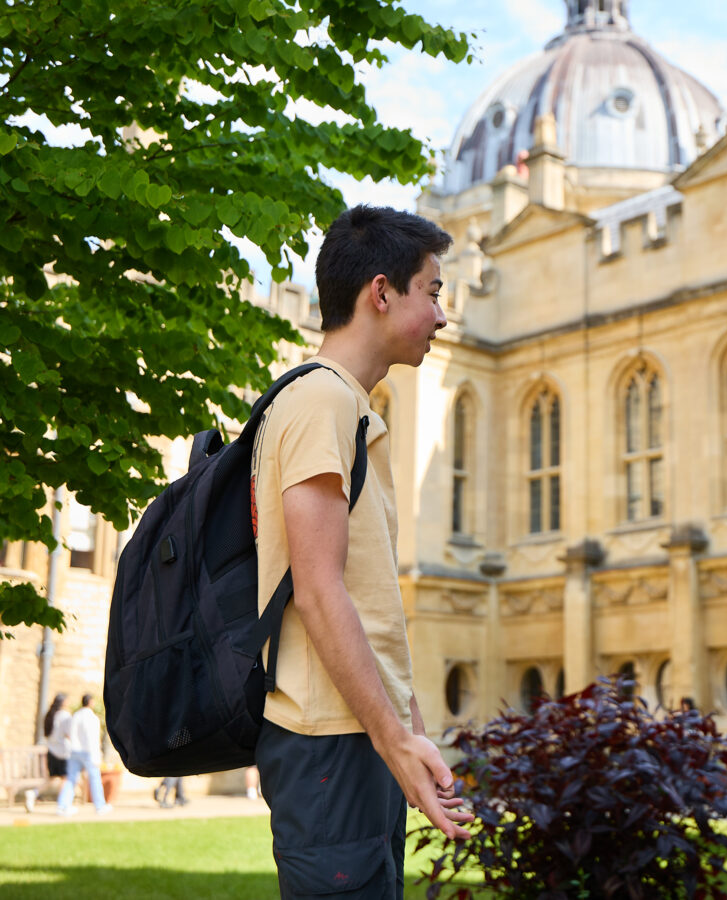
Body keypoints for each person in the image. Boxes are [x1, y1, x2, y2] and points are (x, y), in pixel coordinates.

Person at [250, 205, 473, 898]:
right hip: (328, 740)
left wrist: (409, 733)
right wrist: (394, 740)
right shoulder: (320, 402)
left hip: (356, 735)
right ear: (381, 293)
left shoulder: (352, 408)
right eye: (432, 292)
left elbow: (369, 599)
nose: (442, 316)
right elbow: (318, 592)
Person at [56, 693, 111, 815]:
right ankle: (100, 805)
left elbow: (71, 733)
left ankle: (63, 805)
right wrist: (96, 756)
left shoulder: (76, 715)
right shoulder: (91, 718)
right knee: (95, 778)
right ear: (90, 702)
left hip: (75, 751)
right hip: (87, 752)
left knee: (71, 778)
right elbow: (91, 738)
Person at [43, 693, 72, 786]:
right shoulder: (65, 715)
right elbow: (69, 733)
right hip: (63, 752)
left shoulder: (50, 714)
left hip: (51, 751)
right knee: (66, 777)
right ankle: (62, 799)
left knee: (51, 777)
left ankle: (35, 792)